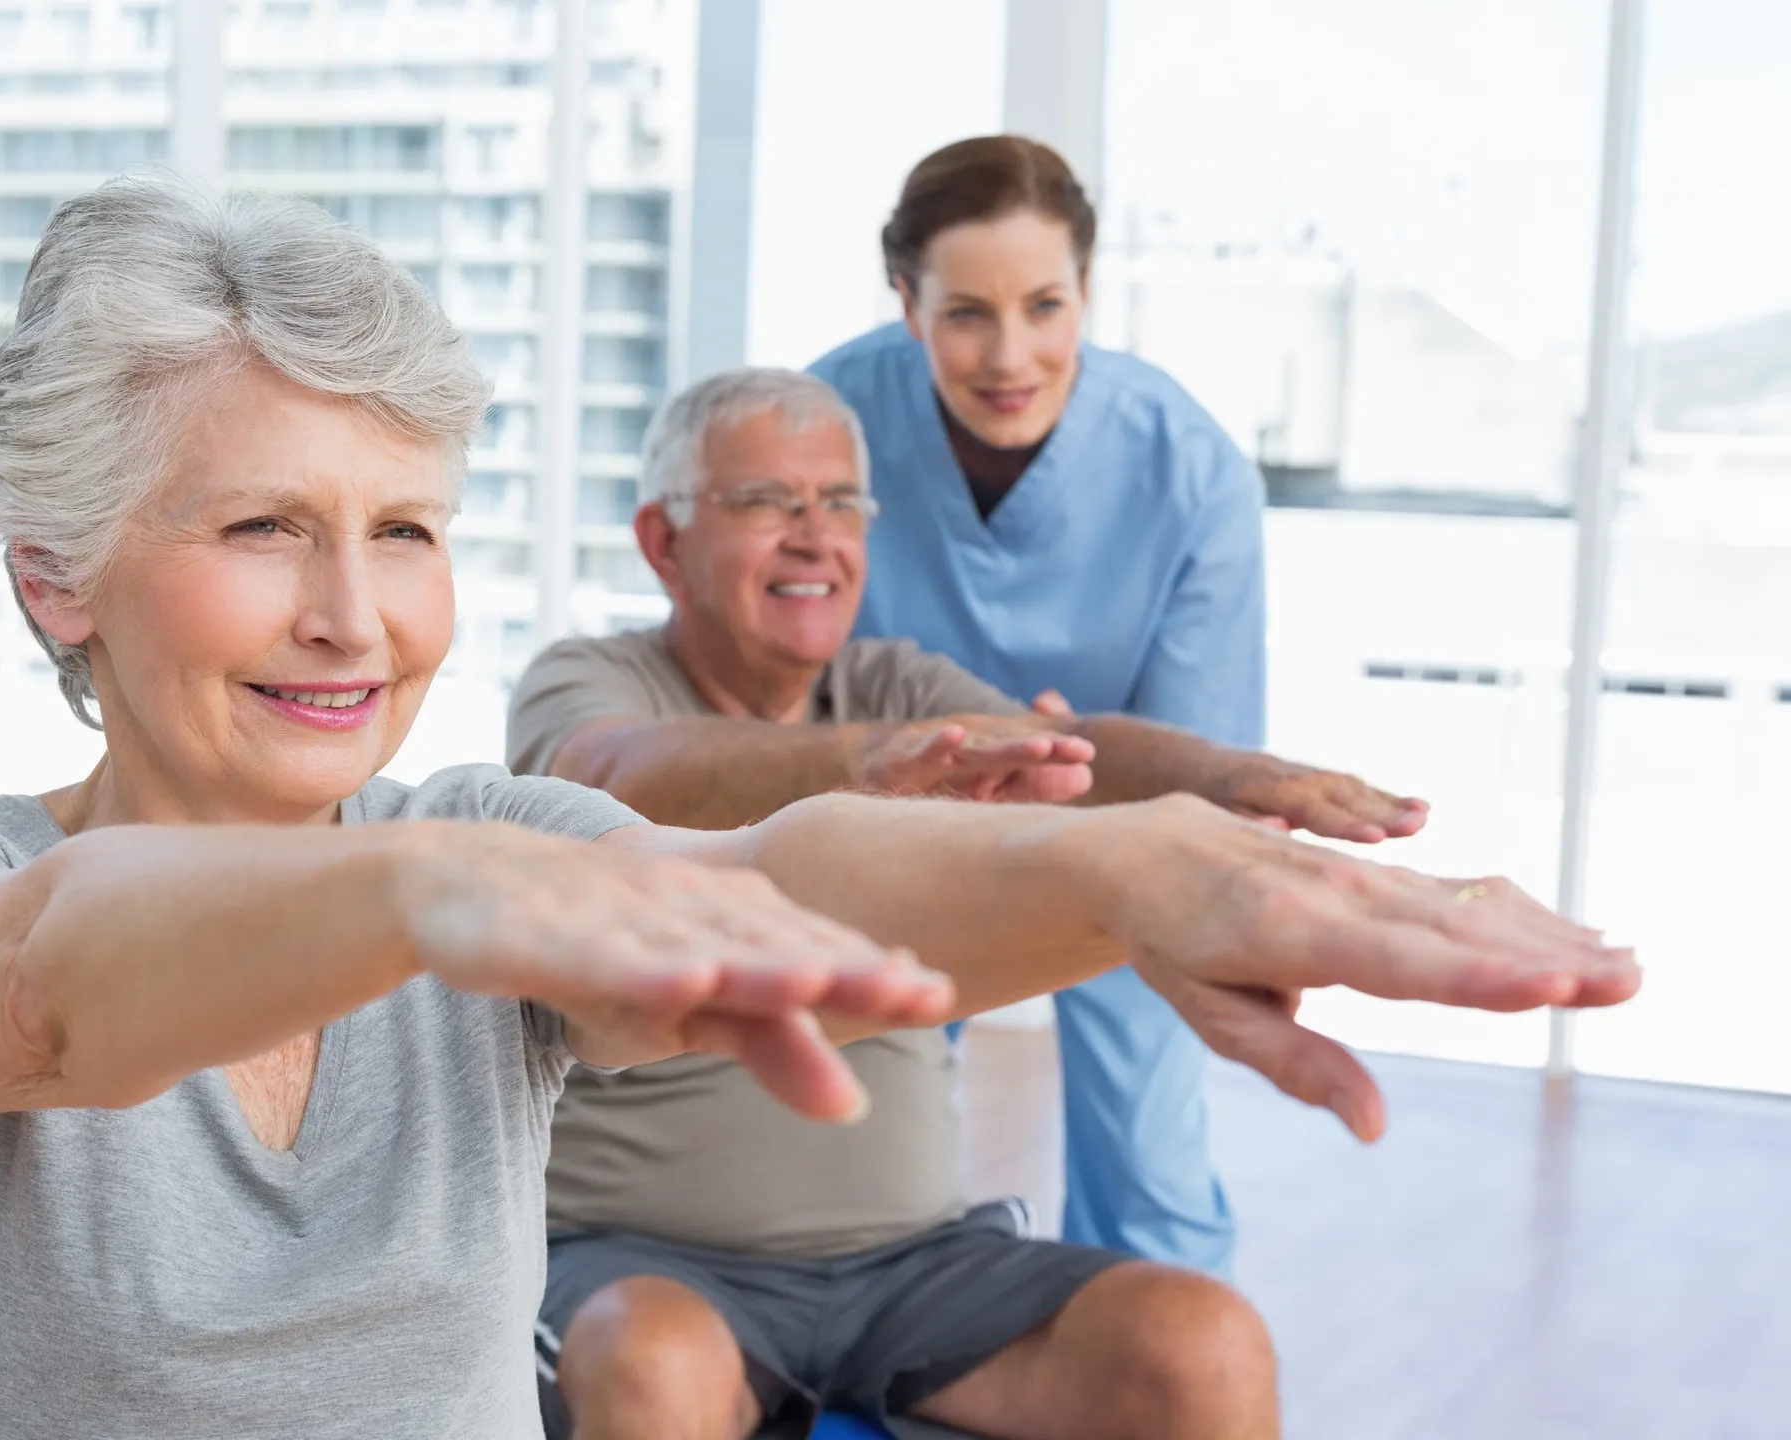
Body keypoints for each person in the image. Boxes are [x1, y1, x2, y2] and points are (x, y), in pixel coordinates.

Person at [0, 175, 1636, 1440]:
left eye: (405, 531)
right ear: (57, 578)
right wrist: (426, 893)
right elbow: (51, 988)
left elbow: (785, 877)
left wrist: (1135, 865)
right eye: (264, 526)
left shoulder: (487, 848)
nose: (356, 613)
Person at [506, 368, 1428, 1440]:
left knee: (1201, 1341)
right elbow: (618, 771)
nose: (817, 537)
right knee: (653, 1362)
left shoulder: (898, 685)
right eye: (768, 502)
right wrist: (864, 764)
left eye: (842, 503)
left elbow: (1067, 754)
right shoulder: (585, 682)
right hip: (642, 1257)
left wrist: (1219, 781)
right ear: (664, 542)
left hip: (911, 1265)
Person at [810, 135, 1275, 1273]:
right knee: (848, 1145)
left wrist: (1074, 786)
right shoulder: (828, 427)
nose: (1010, 355)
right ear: (906, 303)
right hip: (890, 833)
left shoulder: (1190, 467)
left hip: (1118, 827)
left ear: (1086, 295)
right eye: (966, 312)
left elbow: (1202, 765)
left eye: (1045, 306)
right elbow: (778, 686)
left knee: (1149, 1152)